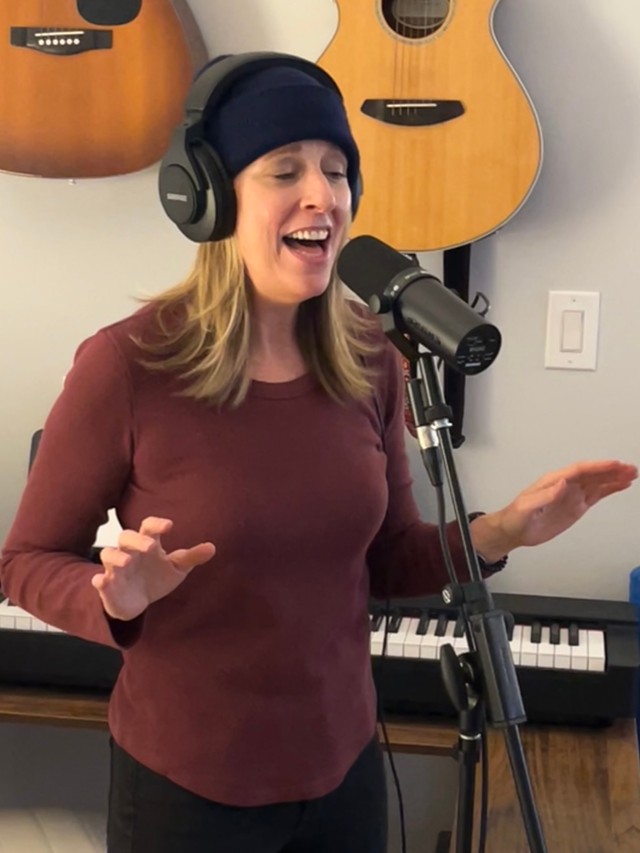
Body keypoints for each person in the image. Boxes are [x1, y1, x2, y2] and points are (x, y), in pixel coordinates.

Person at [0, 52, 636, 853]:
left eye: (337, 171)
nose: (323, 195)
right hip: (190, 786)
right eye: (285, 170)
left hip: (343, 772)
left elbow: (388, 558)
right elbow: (24, 560)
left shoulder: (370, 356)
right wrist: (113, 598)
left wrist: (504, 530)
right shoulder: (128, 365)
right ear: (211, 198)